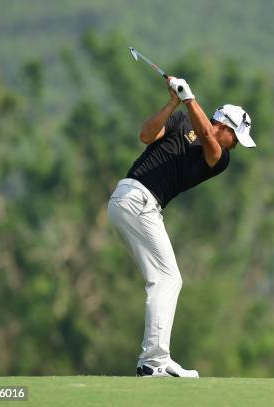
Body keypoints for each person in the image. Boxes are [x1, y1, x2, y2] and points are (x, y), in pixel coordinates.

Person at [107, 77, 256, 378]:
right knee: (168, 279)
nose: (236, 146)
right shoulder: (178, 121)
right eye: (236, 138)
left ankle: (154, 359)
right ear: (225, 126)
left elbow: (208, 140)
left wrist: (190, 99)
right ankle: (155, 360)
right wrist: (175, 101)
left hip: (136, 205)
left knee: (162, 279)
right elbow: (146, 135)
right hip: (132, 198)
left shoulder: (220, 157)